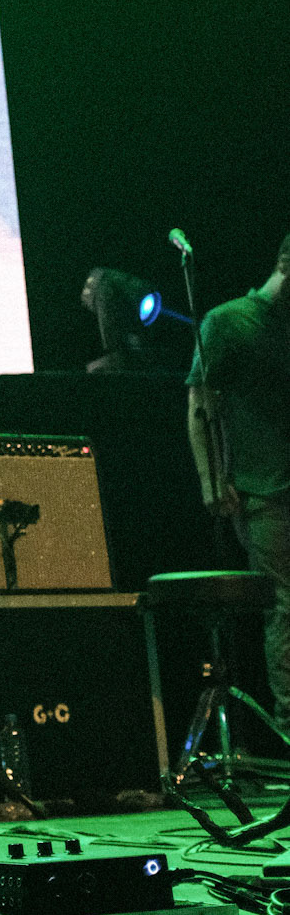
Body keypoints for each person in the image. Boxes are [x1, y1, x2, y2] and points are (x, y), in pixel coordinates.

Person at [187, 232, 290, 738]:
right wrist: (211, 480)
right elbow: (199, 403)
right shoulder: (229, 321)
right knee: (286, 609)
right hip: (263, 491)